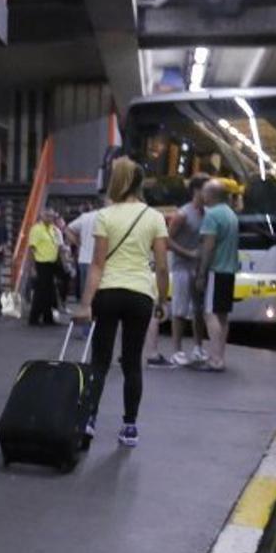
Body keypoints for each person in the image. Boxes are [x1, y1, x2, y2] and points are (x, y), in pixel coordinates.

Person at [73, 156, 170, 448]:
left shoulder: (105, 215)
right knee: (132, 363)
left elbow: (97, 265)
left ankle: (89, 420)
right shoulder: (154, 218)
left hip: (108, 293)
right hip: (140, 294)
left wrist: (86, 303)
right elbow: (162, 267)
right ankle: (129, 427)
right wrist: (162, 299)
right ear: (140, 184)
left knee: (99, 362)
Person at [161, 174, 210, 366]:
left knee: (199, 310)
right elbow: (166, 240)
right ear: (196, 191)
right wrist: (188, 253)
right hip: (182, 267)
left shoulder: (207, 213)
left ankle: (198, 348)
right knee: (180, 309)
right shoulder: (182, 214)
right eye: (206, 189)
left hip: (199, 268)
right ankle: (177, 351)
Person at [194, 178, 241, 372]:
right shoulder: (231, 214)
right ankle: (220, 356)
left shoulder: (212, 215)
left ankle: (214, 358)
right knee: (222, 315)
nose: (202, 195)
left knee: (209, 313)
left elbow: (209, 246)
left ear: (212, 195)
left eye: (205, 192)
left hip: (216, 270)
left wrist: (201, 273)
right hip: (229, 270)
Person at [26, 208, 65, 326]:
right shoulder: (37, 229)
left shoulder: (53, 229)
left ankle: (48, 318)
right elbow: (31, 249)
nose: (50, 218)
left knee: (49, 292)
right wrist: (32, 267)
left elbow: (58, 246)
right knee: (40, 292)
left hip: (52, 264)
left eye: (52, 216)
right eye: (47, 216)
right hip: (41, 263)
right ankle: (33, 318)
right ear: (42, 216)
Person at [65, 199, 103, 301]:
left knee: (86, 294)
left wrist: (78, 243)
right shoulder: (107, 217)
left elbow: (67, 229)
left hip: (84, 259)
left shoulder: (85, 217)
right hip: (100, 261)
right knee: (100, 295)